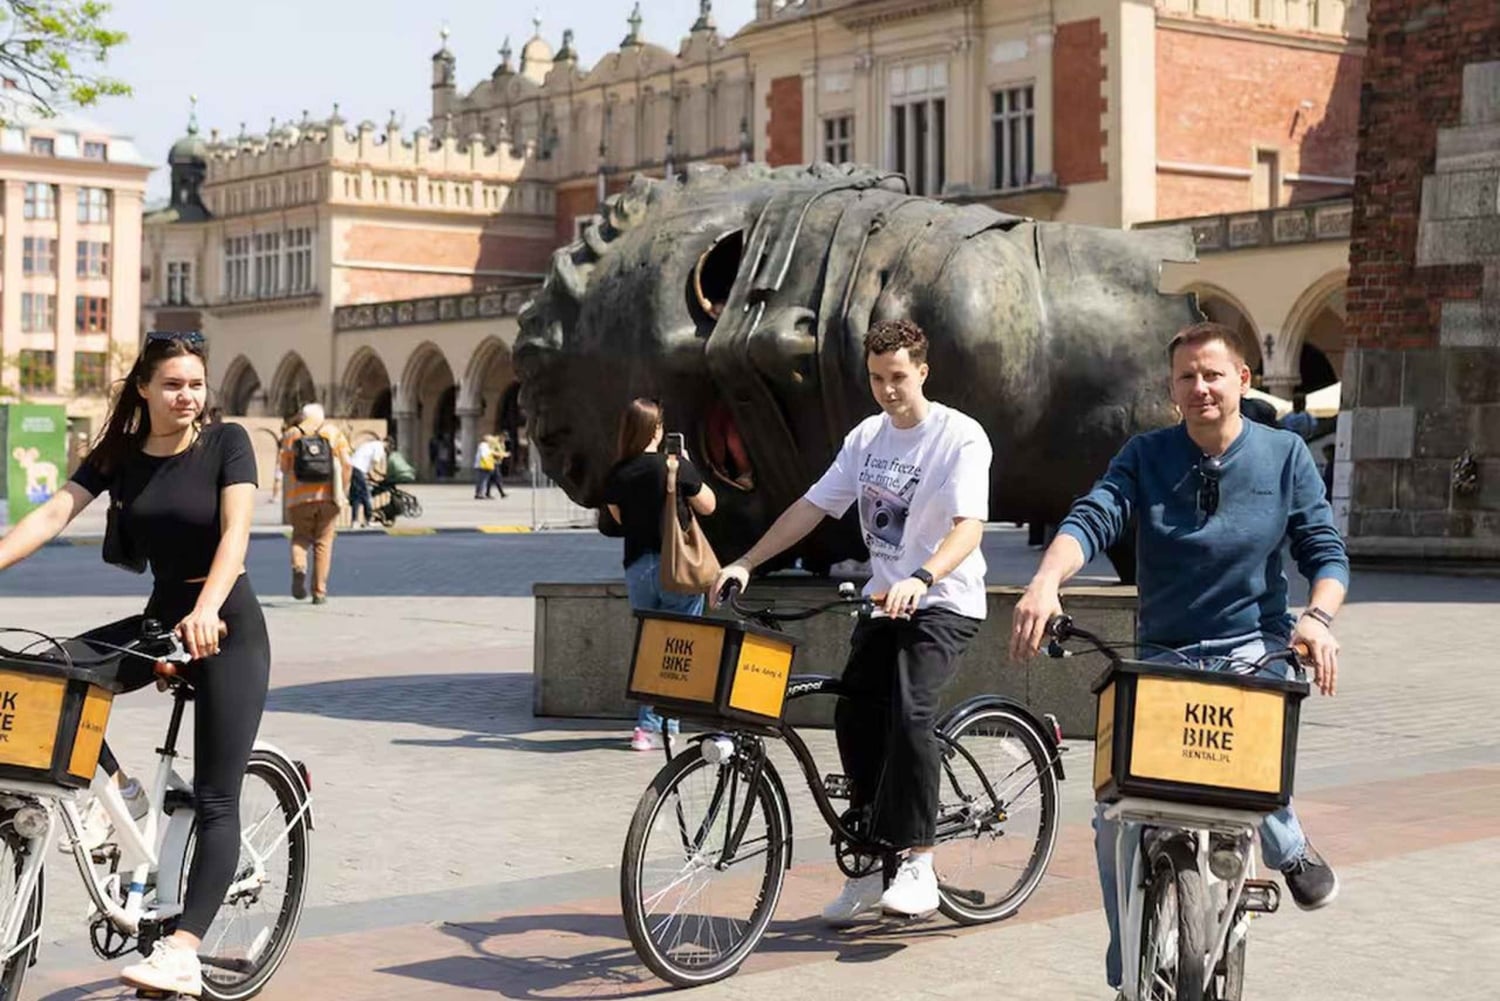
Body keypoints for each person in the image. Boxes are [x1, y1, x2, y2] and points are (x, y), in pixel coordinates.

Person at [1009, 320, 1348, 997]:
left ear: (1243, 380)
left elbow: (1325, 553)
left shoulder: (1284, 456)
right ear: (1172, 388)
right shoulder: (1147, 454)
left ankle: (1288, 844)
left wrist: (1317, 618)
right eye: (1187, 377)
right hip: (1163, 650)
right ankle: (1125, 956)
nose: (1201, 388)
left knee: (1246, 766)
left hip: (1252, 646)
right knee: (1114, 810)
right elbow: (1093, 516)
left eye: (1213, 374)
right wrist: (1047, 580)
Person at [0, 331, 269, 996]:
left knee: (214, 797)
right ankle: (115, 795)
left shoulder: (226, 442)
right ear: (144, 389)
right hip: (160, 624)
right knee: (51, 672)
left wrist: (206, 609)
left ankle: (182, 949)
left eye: (196, 384)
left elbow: (235, 535)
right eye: (173, 384)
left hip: (225, 625)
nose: (187, 396)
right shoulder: (121, 453)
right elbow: (54, 513)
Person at [713, 318, 993, 923]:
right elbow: (812, 507)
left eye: (898, 377)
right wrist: (746, 562)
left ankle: (918, 859)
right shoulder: (867, 437)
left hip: (943, 603)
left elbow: (969, 527)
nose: (888, 390)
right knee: (853, 713)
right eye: (876, 378)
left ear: (922, 371)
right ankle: (871, 859)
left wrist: (922, 578)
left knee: (912, 711)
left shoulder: (960, 438)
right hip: (882, 602)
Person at [602, 398, 718, 751]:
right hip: (678, 568)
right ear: (657, 429)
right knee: (679, 646)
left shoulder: (618, 473)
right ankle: (668, 725)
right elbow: (709, 505)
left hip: (638, 567)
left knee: (650, 645)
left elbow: (619, 521)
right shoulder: (675, 465)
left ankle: (645, 729)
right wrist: (688, 469)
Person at [279, 403, 351, 604]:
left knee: (300, 538)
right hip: (328, 498)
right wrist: (342, 490)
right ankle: (319, 592)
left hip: (299, 498)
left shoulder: (291, 434)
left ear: (303, 416)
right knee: (323, 543)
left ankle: (299, 568)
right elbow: (347, 464)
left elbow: (284, 467)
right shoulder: (333, 433)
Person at [348, 435, 386, 528]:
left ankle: (354, 521)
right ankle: (368, 520)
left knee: (356, 496)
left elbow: (369, 466)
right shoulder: (380, 447)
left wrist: (370, 474)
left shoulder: (370, 445)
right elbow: (374, 464)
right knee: (366, 495)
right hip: (359, 469)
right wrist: (381, 475)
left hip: (353, 467)